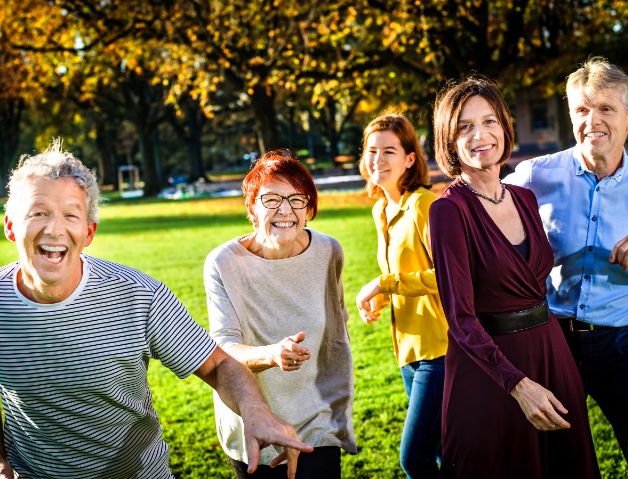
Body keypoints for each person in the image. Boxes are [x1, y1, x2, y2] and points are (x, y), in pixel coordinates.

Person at [0, 140, 312, 479]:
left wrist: (256, 412)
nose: (54, 229)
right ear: (11, 226)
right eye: (38, 213)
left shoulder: (138, 295)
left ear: (88, 232)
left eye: (70, 215)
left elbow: (218, 364)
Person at [429, 77, 600, 478]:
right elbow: (460, 319)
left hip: (552, 357)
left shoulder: (524, 197)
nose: (480, 135)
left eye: (489, 121)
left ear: (505, 127)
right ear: (448, 140)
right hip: (492, 375)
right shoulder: (448, 212)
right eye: (464, 127)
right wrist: (517, 385)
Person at [505, 56, 628, 477]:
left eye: (605, 109)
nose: (592, 120)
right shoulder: (534, 176)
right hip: (555, 340)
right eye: (582, 109)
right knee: (560, 458)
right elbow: (482, 214)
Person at [204, 150, 356, 479]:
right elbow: (224, 348)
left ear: (309, 208)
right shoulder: (223, 263)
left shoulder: (329, 251)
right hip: (254, 420)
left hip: (317, 421)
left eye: (296, 199)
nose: (284, 210)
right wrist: (273, 354)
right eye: (271, 199)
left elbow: (337, 329)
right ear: (252, 209)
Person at [354, 113, 447, 478]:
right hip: (406, 353)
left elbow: (450, 277)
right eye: (371, 150)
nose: (377, 160)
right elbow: (403, 273)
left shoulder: (426, 205)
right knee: (442, 454)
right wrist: (380, 299)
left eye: (389, 151)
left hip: (440, 350)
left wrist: (386, 284)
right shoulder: (381, 208)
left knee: (415, 459)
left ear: (410, 158)